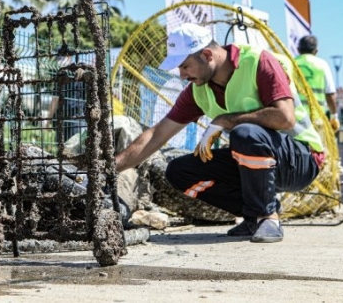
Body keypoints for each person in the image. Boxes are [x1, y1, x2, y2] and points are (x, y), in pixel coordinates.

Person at [114, 23, 325, 243]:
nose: (182, 76)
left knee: (244, 134)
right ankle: (255, 214)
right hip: (255, 158)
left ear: (207, 55)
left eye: (185, 66)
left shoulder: (258, 61)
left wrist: (226, 120)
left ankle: (268, 218)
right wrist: (110, 168)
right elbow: (157, 134)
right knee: (179, 171)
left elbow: (285, 117)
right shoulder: (198, 90)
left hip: (301, 158)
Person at [294, 35, 340, 132]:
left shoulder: (291, 63)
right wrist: (334, 116)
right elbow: (330, 94)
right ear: (316, 51)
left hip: (295, 118)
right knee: (317, 146)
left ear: (298, 49)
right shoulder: (322, 65)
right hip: (316, 118)